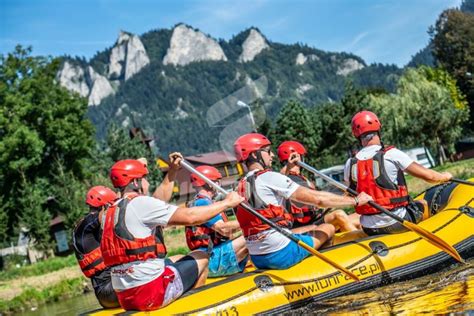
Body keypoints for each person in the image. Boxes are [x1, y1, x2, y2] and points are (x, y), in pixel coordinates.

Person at [100, 158, 243, 311]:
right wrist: (227, 203)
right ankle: (196, 310)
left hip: (124, 297)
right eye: (145, 178)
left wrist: (172, 171)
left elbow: (157, 201)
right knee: (201, 257)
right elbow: (191, 217)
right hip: (149, 293)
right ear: (136, 183)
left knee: (178, 258)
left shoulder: (110, 211)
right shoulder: (141, 204)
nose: (148, 183)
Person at [233, 133, 372, 270]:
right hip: (281, 253)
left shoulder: (239, 186)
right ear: (254, 155)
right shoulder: (268, 177)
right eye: (268, 151)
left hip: (257, 257)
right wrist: (356, 200)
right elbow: (319, 200)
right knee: (328, 228)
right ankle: (331, 266)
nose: (272, 156)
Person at [344, 110, 453, 236]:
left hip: (368, 228)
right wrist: (445, 176)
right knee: (422, 204)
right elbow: (430, 177)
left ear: (357, 136)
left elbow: (349, 192)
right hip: (396, 222)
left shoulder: (350, 163)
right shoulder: (391, 154)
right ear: (378, 129)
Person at [277, 141, 360, 232]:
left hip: (314, 220)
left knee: (358, 216)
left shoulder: (297, 178)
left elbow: (313, 206)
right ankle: (361, 241)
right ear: (298, 157)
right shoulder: (293, 180)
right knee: (338, 215)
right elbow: (318, 201)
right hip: (304, 226)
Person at [186, 165, 248, 277]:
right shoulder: (202, 203)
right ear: (210, 183)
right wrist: (251, 221)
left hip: (212, 255)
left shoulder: (205, 202)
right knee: (254, 236)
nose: (219, 185)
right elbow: (224, 229)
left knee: (250, 234)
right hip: (211, 259)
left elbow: (226, 233)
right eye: (217, 181)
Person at [73, 186, 120, 308]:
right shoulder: (85, 226)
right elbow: (103, 216)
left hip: (110, 289)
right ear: (104, 207)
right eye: (111, 206)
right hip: (108, 290)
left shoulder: (93, 228)